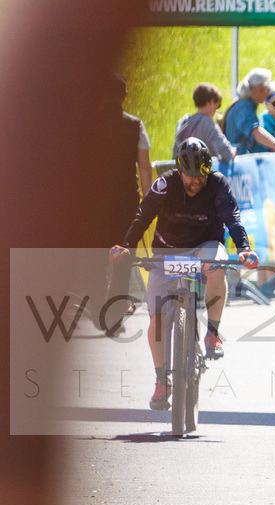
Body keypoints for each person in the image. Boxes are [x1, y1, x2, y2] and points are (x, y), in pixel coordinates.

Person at [110, 138, 259, 410]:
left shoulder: (217, 183)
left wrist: (244, 250)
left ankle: (212, 333)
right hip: (167, 250)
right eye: (190, 176)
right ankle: (161, 380)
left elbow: (233, 219)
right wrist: (126, 246)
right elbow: (143, 216)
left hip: (205, 246)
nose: (196, 182)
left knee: (217, 267)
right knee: (156, 319)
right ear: (179, 171)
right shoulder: (165, 184)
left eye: (201, 175)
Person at [92, 74, 153, 334]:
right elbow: (145, 168)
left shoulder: (86, 126)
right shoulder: (135, 125)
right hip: (126, 202)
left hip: (94, 203)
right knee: (122, 259)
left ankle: (97, 311)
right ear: (125, 96)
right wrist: (150, 203)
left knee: (93, 258)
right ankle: (113, 318)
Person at [172, 82, 236, 164]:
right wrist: (233, 151)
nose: (216, 110)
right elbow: (226, 153)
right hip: (204, 173)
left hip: (185, 173)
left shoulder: (183, 122)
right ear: (212, 101)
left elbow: (175, 155)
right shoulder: (208, 123)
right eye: (218, 105)